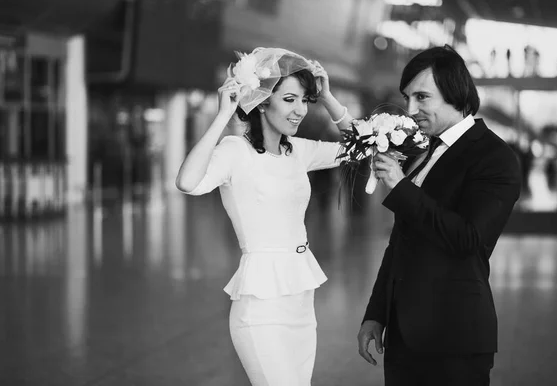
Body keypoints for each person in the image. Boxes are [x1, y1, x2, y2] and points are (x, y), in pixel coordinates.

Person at [175, 47, 353, 386]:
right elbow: (187, 182)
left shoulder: (298, 150)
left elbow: (366, 146)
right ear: (261, 100)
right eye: (289, 99)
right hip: (261, 307)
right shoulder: (235, 151)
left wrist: (328, 98)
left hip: (301, 300)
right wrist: (221, 117)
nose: (300, 109)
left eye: (304, 100)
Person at [357, 45, 522, 386]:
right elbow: (400, 242)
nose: (410, 109)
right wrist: (376, 313)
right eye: (407, 98)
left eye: (422, 97)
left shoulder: (495, 157)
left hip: (454, 338)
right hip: (403, 335)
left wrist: (401, 187)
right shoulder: (422, 150)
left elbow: (468, 239)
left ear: (456, 95)